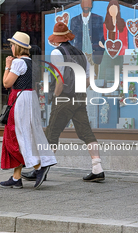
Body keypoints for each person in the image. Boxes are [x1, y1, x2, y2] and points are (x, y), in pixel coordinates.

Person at [22, 22, 105, 182]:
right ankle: (97, 168)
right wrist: (79, 90)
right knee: (86, 132)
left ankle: (40, 170)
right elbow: (90, 77)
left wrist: (55, 95)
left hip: (64, 98)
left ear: (57, 39)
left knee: (52, 132)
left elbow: (59, 78)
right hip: (80, 97)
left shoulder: (56, 52)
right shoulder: (80, 53)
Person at [0, 31, 57, 189]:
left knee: (20, 135)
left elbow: (6, 83)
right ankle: (16, 177)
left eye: (12, 45)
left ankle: (39, 166)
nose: (10, 47)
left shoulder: (17, 63)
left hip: (20, 100)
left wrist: (7, 66)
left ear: (17, 47)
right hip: (30, 97)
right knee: (29, 133)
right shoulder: (31, 62)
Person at [70, 0, 105, 75]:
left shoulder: (98, 18)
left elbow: (102, 36)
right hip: (80, 54)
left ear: (91, 5)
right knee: (79, 75)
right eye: (84, 3)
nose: (86, 5)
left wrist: (102, 46)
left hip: (94, 54)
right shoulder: (74, 20)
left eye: (88, 3)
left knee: (95, 77)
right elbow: (71, 38)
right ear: (81, 5)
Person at [98, 0, 128, 81]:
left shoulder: (123, 24)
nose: (113, 11)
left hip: (119, 53)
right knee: (104, 72)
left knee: (118, 73)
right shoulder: (105, 25)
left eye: (115, 9)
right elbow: (101, 39)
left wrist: (124, 53)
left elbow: (125, 41)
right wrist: (101, 44)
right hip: (107, 52)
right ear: (108, 10)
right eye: (111, 9)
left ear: (118, 10)